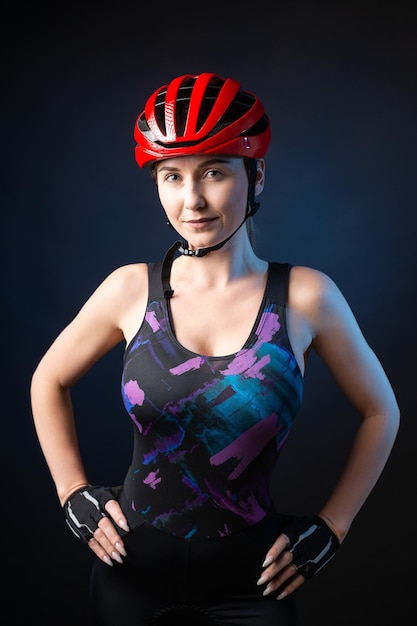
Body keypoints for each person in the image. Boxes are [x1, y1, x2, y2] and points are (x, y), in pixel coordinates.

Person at [30, 72, 400, 626]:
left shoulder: (305, 296)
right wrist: (71, 492)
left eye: (213, 173)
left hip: (253, 582)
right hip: (129, 574)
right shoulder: (130, 289)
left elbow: (381, 411)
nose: (192, 200)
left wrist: (333, 526)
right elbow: (47, 380)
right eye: (171, 176)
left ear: (256, 176)